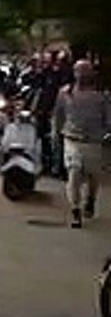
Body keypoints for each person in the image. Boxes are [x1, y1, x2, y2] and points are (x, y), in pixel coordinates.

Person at [54, 60, 109, 228]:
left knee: (93, 176)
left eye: (86, 71)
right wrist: (55, 133)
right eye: (79, 71)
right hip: (72, 139)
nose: (82, 75)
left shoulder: (102, 95)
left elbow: (108, 117)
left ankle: (90, 199)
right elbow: (58, 115)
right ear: (74, 73)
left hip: (94, 141)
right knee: (74, 172)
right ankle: (75, 210)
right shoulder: (65, 93)